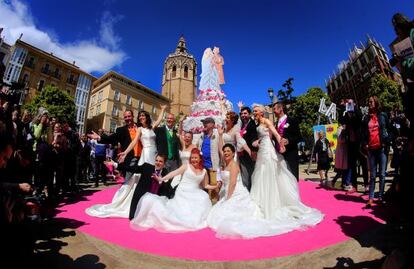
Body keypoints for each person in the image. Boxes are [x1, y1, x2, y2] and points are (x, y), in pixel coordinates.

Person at [208, 144, 303, 238]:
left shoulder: (233, 165)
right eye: (225, 151)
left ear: (233, 153)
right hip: (228, 191)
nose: (226, 153)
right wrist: (220, 135)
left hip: (235, 192)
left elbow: (232, 184)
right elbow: (221, 150)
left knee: (229, 213)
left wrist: (228, 198)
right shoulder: (225, 164)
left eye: (228, 151)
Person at [249, 104, 323, 224]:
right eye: (254, 111)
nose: (254, 112)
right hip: (262, 150)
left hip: (269, 151)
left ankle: (273, 202)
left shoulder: (267, 121)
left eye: (256, 111)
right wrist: (258, 141)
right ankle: (261, 202)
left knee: (270, 173)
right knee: (261, 174)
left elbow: (276, 134)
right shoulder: (258, 124)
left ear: (262, 112)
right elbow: (266, 136)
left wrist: (282, 144)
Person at [130, 148, 219, 232]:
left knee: (204, 198)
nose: (193, 160)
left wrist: (215, 186)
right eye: (192, 158)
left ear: (200, 159)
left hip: (195, 192)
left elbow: (205, 185)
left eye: (196, 158)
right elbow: (174, 173)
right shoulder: (186, 166)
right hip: (183, 192)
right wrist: (161, 179)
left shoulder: (204, 171)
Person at [86, 154, 169, 219]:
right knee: (135, 218)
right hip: (142, 200)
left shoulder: (165, 173)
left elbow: (166, 190)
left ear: (164, 164)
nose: (157, 163)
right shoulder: (147, 167)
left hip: (155, 202)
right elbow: (130, 168)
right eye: (156, 160)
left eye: (160, 161)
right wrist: (115, 164)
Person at [361, 96, 390, 207]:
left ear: (376, 103)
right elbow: (363, 134)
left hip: (382, 149)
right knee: (372, 175)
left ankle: (381, 197)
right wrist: (365, 144)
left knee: (382, 174)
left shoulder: (383, 116)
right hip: (371, 150)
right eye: (368, 102)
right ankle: (371, 198)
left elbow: (390, 130)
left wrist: (386, 141)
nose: (369, 103)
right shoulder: (366, 118)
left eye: (371, 102)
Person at [273, 102, 302, 181]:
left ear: (281, 109)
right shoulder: (276, 124)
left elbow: (299, 137)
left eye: (274, 109)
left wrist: (288, 141)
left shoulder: (292, 120)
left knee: (292, 178)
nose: (273, 111)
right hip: (279, 154)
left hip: (290, 154)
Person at [194, 117, 220, 202]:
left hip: (213, 165)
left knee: (213, 185)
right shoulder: (201, 136)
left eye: (207, 122)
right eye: (203, 122)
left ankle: (213, 203)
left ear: (212, 124)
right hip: (202, 166)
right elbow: (195, 146)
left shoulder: (217, 135)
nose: (204, 124)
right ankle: (204, 203)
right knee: (203, 185)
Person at [237, 104, 258, 191]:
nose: (243, 115)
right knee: (245, 176)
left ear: (249, 115)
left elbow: (254, 137)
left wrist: (253, 152)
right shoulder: (242, 125)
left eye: (245, 113)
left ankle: (253, 193)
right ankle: (247, 194)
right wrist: (240, 108)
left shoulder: (252, 124)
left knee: (251, 174)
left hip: (250, 154)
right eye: (242, 114)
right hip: (242, 155)